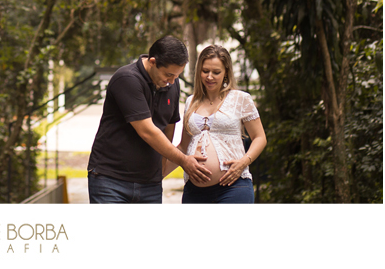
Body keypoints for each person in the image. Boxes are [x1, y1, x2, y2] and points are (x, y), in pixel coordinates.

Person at [88, 35, 211, 203]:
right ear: (152, 62)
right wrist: (183, 160)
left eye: (177, 75)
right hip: (111, 180)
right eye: (168, 74)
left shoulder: (172, 84)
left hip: (149, 185)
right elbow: (147, 131)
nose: (172, 81)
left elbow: (169, 127)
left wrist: (160, 171)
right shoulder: (127, 79)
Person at [165, 44, 267, 203]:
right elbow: (183, 147)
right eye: (205, 71)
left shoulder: (240, 99)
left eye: (216, 72)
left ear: (226, 72)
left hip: (234, 187)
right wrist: (157, 176)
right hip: (194, 191)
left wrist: (243, 162)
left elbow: (260, 137)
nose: (209, 76)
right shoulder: (191, 101)